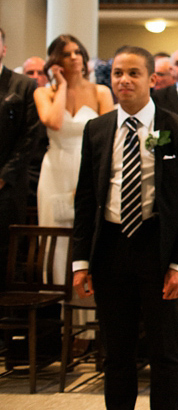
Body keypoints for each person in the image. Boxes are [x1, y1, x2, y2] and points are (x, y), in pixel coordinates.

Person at [72, 46, 178, 410]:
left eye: (133, 73)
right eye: (117, 73)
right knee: (116, 351)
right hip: (111, 248)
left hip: (156, 247)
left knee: (164, 349)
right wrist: (80, 261)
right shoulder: (97, 130)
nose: (124, 80)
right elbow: (85, 200)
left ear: (152, 79)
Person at [34, 35, 114, 285]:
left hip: (88, 167)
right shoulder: (43, 93)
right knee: (56, 238)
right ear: (55, 60)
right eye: (67, 54)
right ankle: (57, 302)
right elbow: (55, 122)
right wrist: (61, 86)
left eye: (78, 52)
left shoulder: (100, 91)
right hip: (55, 170)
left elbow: (109, 138)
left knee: (87, 232)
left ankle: (88, 304)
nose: (74, 57)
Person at [0, 28, 43, 288]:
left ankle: (7, 326)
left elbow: (30, 136)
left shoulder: (23, 85)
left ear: (4, 49)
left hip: (8, 187)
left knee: (7, 256)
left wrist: (4, 176)